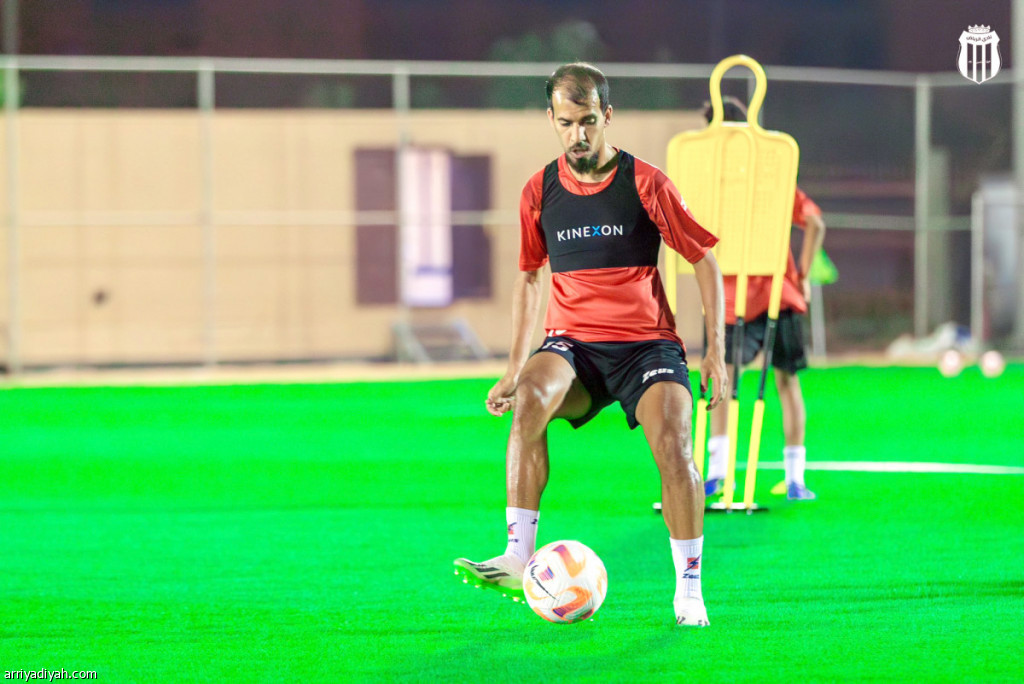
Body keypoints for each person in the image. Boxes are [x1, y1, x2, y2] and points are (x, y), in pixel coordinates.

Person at [453, 63, 728, 627]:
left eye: (587, 121)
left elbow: (704, 261)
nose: (577, 135)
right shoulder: (539, 190)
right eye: (565, 123)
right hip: (573, 347)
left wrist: (716, 352)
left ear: (607, 115)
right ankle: (517, 554)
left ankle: (689, 589)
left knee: (675, 445)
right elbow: (530, 277)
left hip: (646, 347)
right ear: (550, 119)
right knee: (529, 400)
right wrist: (513, 368)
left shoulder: (646, 182)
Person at [700, 96, 827, 501]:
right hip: (778, 293)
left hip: (732, 297)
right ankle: (795, 480)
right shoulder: (772, 177)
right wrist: (802, 275)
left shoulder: (714, 182)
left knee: (724, 377)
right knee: (787, 381)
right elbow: (815, 223)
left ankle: (716, 474)